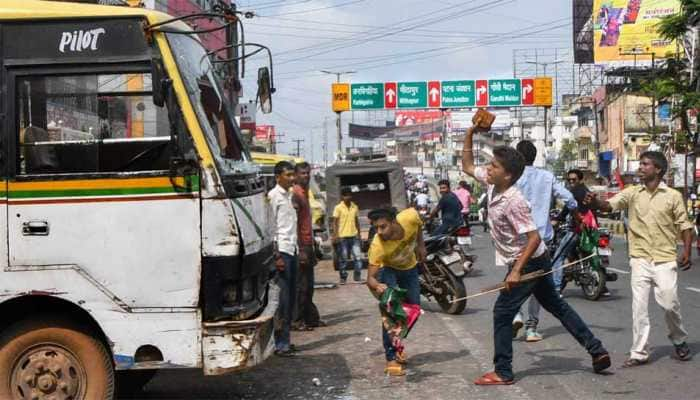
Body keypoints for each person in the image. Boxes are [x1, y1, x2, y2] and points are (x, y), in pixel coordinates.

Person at [461, 122, 610, 385]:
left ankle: (503, 371)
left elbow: (533, 237)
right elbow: (467, 166)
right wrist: (471, 133)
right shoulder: (494, 184)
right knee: (557, 306)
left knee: (503, 312)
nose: (488, 169)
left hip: (528, 259)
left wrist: (517, 271)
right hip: (532, 258)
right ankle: (596, 350)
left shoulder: (514, 200)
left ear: (507, 175)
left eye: (494, 166)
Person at [584, 151, 693, 367]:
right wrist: (595, 202)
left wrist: (687, 251)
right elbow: (609, 206)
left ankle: (679, 339)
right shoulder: (632, 192)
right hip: (640, 257)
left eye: (645, 164)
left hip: (664, 258)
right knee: (639, 307)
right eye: (640, 164)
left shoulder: (672, 196)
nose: (640, 167)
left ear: (658, 169)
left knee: (670, 303)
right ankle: (639, 352)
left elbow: (685, 225)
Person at [512, 140, 579, 343]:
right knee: (537, 285)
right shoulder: (547, 176)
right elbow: (570, 199)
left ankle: (516, 314)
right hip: (541, 240)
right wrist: (577, 216)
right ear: (535, 156)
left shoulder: (512, 177)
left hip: (517, 238)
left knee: (514, 277)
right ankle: (532, 328)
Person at [366, 207, 427, 377]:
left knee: (413, 311)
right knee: (392, 314)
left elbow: (419, 226)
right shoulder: (378, 244)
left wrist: (421, 245)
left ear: (394, 221)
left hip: (410, 269)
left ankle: (397, 343)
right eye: (376, 227)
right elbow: (369, 278)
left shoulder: (410, 216)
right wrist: (377, 285)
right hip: (389, 271)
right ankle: (391, 357)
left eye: (383, 226)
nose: (379, 231)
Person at [555, 169, 611, 297]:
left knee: (558, 256)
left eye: (574, 180)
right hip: (592, 230)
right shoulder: (587, 191)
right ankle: (603, 288)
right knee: (590, 254)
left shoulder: (574, 192)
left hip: (578, 229)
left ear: (580, 180)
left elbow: (567, 209)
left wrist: (557, 219)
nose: (571, 182)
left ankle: (556, 289)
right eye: (569, 180)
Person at [267, 161, 298, 357]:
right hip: (282, 252)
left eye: (292, 174)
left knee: (290, 298)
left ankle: (286, 340)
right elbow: (270, 228)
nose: (292, 178)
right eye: (288, 175)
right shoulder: (273, 196)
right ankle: (280, 343)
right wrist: (276, 255)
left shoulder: (290, 195)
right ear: (278, 176)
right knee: (283, 300)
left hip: (292, 249)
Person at [291, 162, 323, 331]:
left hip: (307, 244)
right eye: (303, 173)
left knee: (308, 285)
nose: (306, 176)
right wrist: (300, 248)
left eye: (308, 173)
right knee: (302, 286)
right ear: (295, 175)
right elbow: (294, 223)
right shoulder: (296, 194)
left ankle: (311, 318)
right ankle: (297, 320)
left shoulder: (305, 193)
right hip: (301, 245)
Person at [332, 188, 363, 284]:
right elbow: (335, 222)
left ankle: (357, 277)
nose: (348, 197)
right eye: (346, 195)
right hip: (342, 237)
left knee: (358, 257)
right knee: (343, 258)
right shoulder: (338, 207)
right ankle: (343, 277)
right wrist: (336, 235)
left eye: (349, 195)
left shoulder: (355, 207)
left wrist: (359, 234)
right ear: (342, 196)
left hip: (354, 235)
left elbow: (357, 221)